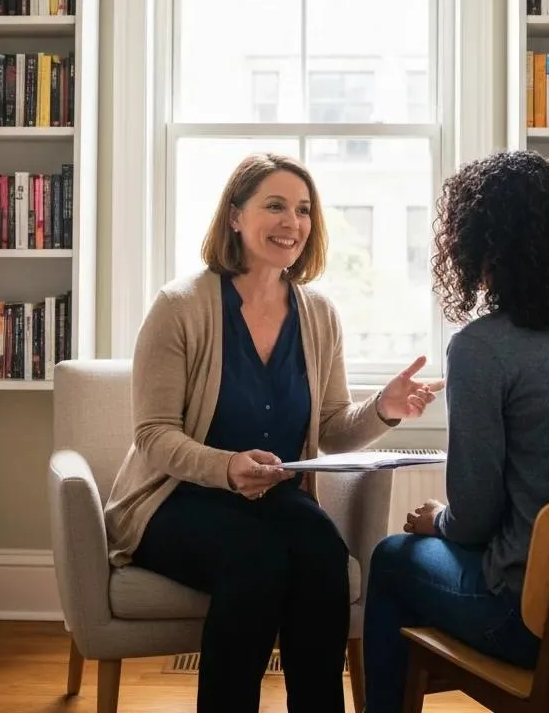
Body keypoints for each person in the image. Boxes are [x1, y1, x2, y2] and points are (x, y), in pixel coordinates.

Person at [104, 152, 442, 713]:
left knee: (324, 557)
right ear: (235, 216)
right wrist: (226, 467)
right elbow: (153, 435)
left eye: (304, 210)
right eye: (276, 206)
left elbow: (331, 431)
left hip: (275, 498)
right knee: (255, 560)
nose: (294, 223)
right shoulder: (180, 307)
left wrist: (384, 408)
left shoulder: (318, 314)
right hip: (175, 500)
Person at [362, 149, 549, 713]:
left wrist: (436, 522)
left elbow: (471, 522)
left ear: (480, 248)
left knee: (394, 558)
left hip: (540, 626)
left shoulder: (481, 348)